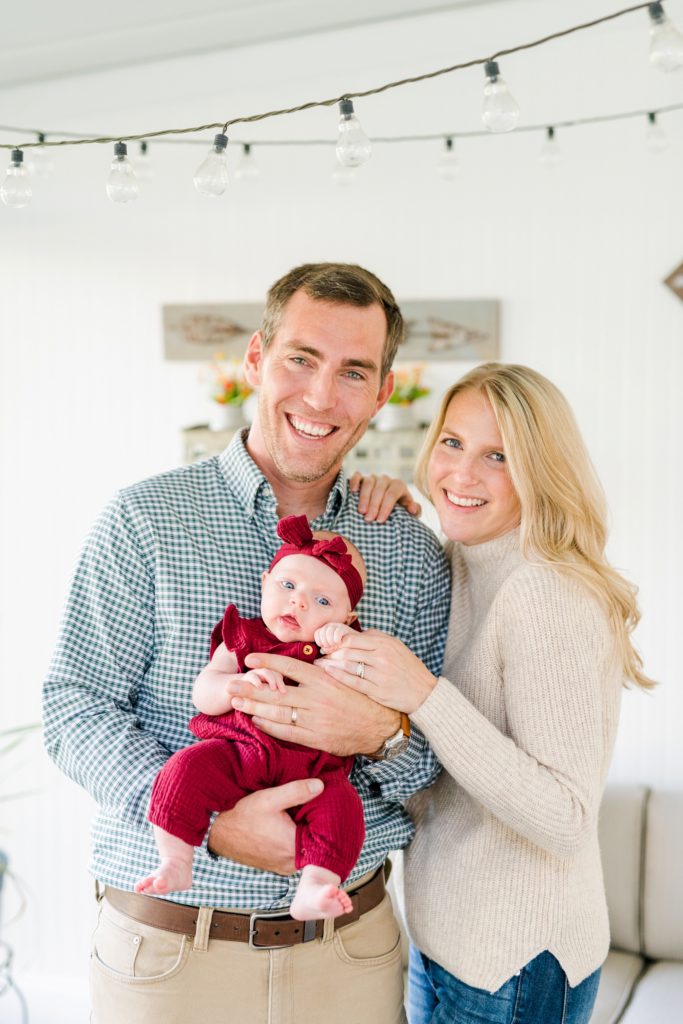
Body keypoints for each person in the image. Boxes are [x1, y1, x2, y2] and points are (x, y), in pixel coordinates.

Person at [42, 262, 450, 1024]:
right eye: (301, 358)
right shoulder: (146, 520)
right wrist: (207, 821)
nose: (321, 397)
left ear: (382, 393)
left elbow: (440, 755)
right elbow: (74, 706)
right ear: (256, 358)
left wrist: (380, 734)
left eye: (353, 372)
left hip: (349, 960)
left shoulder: (406, 550)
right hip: (173, 958)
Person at [237, 362, 654, 1024]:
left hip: (516, 959)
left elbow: (565, 818)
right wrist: (385, 494)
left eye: (498, 456)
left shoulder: (547, 592)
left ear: (541, 471)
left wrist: (425, 696)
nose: (461, 474)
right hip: (447, 943)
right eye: (452, 443)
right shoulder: (464, 561)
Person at [136, 513, 369, 923]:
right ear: (265, 583)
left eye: (323, 602)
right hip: (237, 754)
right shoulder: (243, 638)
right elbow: (203, 692)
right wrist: (234, 685)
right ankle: (175, 858)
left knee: (344, 807)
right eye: (288, 586)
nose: (299, 602)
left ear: (347, 618)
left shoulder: (343, 650)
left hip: (314, 771)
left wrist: (346, 645)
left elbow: (367, 694)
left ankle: (315, 885)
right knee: (183, 769)